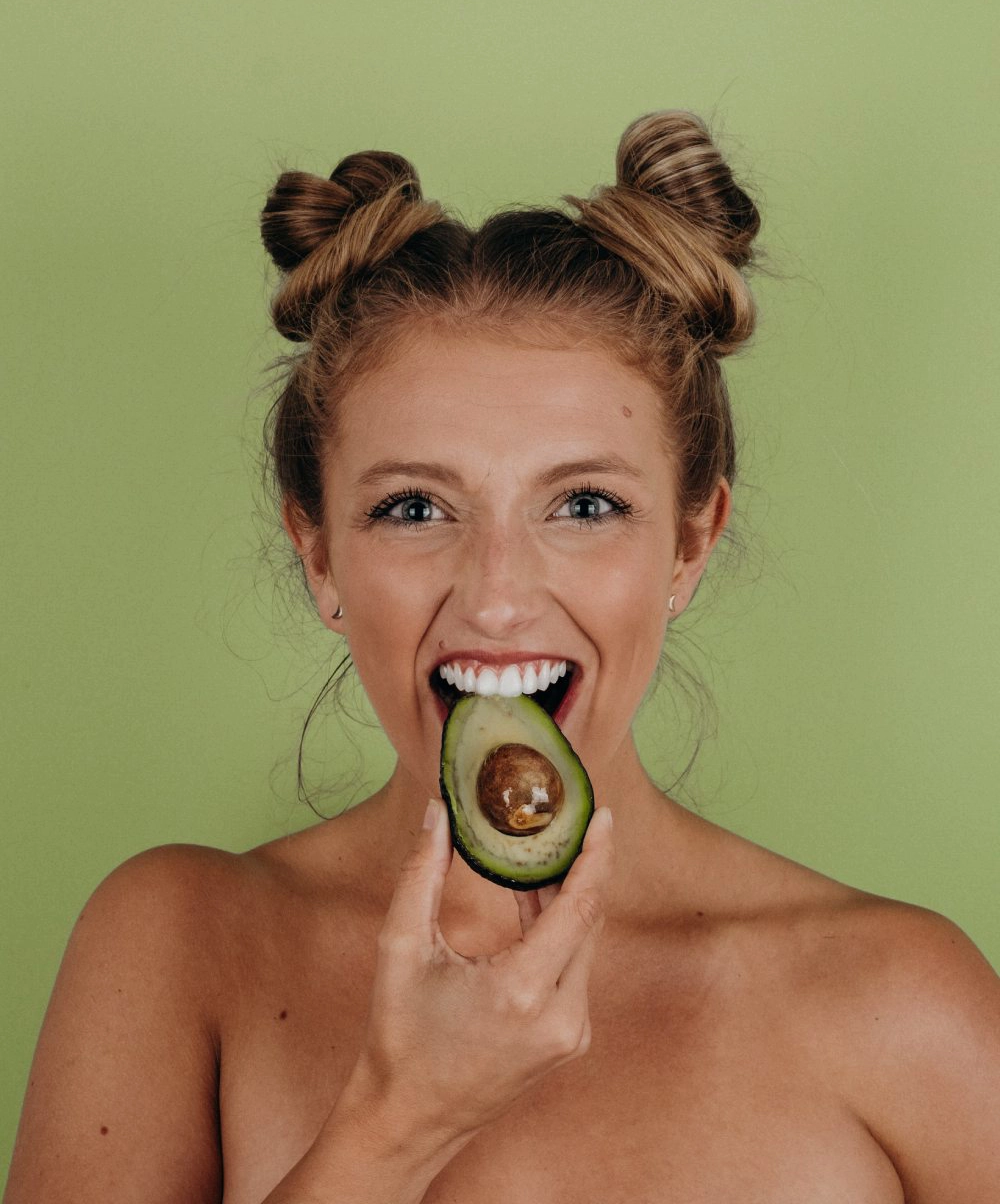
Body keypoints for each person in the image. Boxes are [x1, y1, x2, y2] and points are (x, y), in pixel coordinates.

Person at [6, 112, 1000, 1204]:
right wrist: (398, 1121)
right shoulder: (176, 945)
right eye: (414, 506)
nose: (496, 595)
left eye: (584, 504)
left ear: (689, 541)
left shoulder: (909, 1004)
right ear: (319, 552)